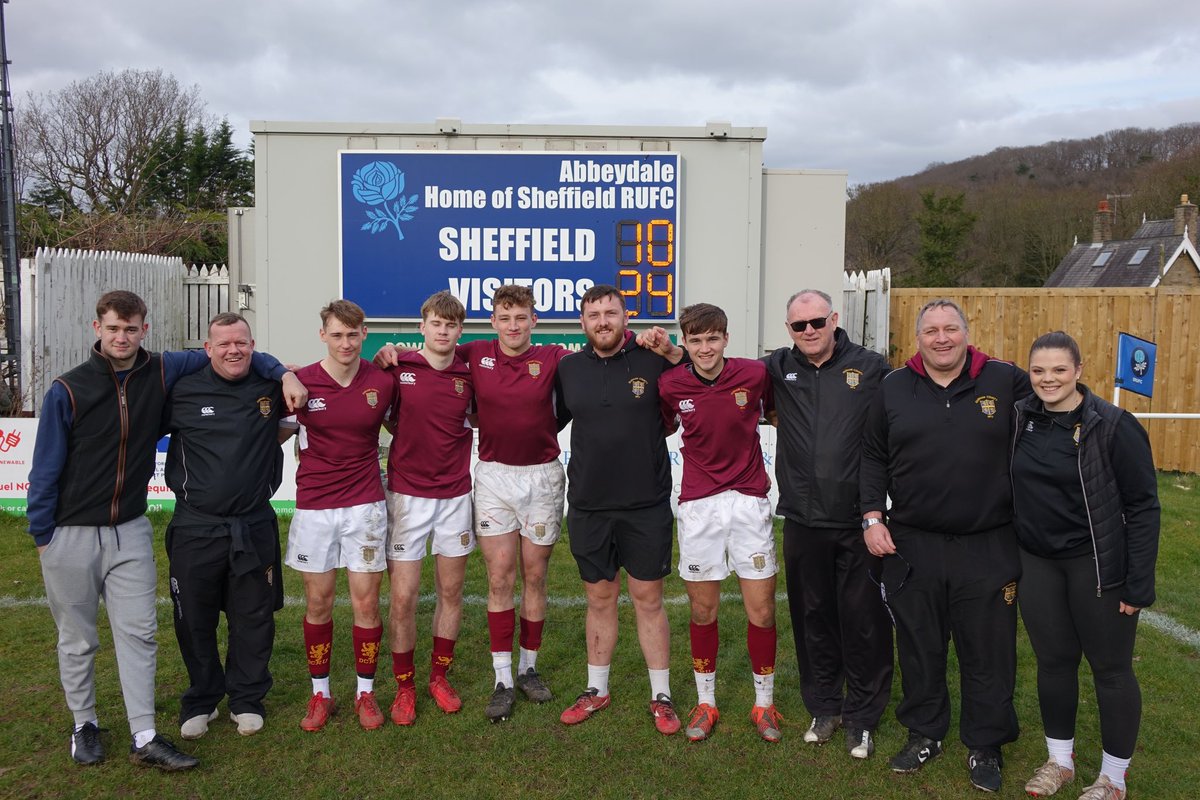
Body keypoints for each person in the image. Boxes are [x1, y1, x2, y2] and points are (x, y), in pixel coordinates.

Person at [27, 290, 303, 770]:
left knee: (169, 629)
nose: (122, 337)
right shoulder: (83, 388)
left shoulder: (188, 373)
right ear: (99, 329)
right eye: (114, 328)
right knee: (102, 634)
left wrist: (284, 372)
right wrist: (43, 533)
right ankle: (105, 720)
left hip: (163, 526)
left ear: (144, 331)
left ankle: (183, 721)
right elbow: (46, 466)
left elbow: (252, 360)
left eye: (130, 329)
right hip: (93, 531)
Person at [859, 298, 1031, 793]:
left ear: (965, 333)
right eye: (931, 330)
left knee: (989, 650)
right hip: (914, 543)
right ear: (918, 337)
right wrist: (872, 516)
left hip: (990, 541)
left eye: (950, 329)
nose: (941, 338)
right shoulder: (892, 388)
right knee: (920, 645)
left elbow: (1051, 415)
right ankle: (925, 733)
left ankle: (985, 744)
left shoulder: (1005, 380)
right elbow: (871, 456)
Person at [1013, 332, 1159, 800]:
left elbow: (1143, 507)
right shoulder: (1020, 419)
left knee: (1111, 670)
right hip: (1037, 564)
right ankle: (1060, 762)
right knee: (1054, 664)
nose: (1048, 379)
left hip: (1096, 566)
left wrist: (1137, 584)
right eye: (1038, 370)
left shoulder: (1113, 424)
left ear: (1078, 369)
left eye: (1058, 369)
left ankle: (1113, 779)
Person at [764, 289, 893, 758]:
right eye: (799, 326)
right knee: (812, 617)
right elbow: (718, 373)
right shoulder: (778, 367)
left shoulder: (872, 367)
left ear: (834, 319)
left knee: (863, 620)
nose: (809, 331)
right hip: (802, 517)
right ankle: (824, 705)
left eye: (817, 321)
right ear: (789, 330)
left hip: (858, 520)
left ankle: (862, 716)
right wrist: (673, 351)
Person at [554, 284, 685, 735]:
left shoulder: (652, 360)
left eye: (611, 312)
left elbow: (698, 375)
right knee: (599, 598)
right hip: (589, 505)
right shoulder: (568, 369)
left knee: (648, 600)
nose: (603, 321)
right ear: (583, 322)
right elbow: (537, 418)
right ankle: (597, 689)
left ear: (626, 317)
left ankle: (661, 696)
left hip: (645, 505)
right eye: (594, 314)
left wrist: (672, 350)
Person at [658, 303, 782, 743]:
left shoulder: (753, 374)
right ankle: (706, 702)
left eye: (713, 339)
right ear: (685, 344)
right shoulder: (671, 383)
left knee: (762, 610)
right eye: (695, 341)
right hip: (699, 507)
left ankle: (764, 705)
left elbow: (779, 412)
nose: (705, 348)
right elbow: (657, 428)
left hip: (749, 504)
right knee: (702, 609)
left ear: (726, 339)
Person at [163, 312, 291, 739]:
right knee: (194, 619)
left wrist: (281, 373)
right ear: (208, 348)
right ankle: (201, 699)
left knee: (252, 617)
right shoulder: (181, 390)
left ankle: (246, 698)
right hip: (196, 528)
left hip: (253, 525)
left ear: (253, 346)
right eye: (224, 344)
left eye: (242, 342)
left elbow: (292, 413)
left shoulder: (271, 387)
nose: (233, 350)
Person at [455, 285, 568, 721]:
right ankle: (502, 677)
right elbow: (431, 355)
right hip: (495, 477)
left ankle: (529, 668)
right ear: (493, 322)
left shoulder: (555, 356)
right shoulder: (476, 353)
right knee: (500, 577)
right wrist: (391, 351)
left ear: (534, 320)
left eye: (521, 317)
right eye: (505, 318)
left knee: (534, 576)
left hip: (541, 476)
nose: (513, 326)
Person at [283, 300, 397, 732]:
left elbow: (405, 424)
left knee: (366, 602)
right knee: (319, 602)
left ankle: (365, 693)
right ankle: (321, 694)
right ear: (323, 336)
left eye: (353, 334)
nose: (346, 343)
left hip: (365, 505)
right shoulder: (301, 382)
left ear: (363, 334)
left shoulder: (383, 381)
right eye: (337, 334)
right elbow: (274, 429)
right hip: (314, 506)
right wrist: (282, 372)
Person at [382, 291, 475, 726]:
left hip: (455, 496)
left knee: (451, 593)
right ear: (422, 326)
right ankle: (404, 686)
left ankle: (439, 677)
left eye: (452, 325)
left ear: (461, 330)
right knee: (402, 598)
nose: (443, 331)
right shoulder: (399, 367)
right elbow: (380, 415)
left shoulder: (469, 373)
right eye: (436, 323)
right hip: (406, 497)